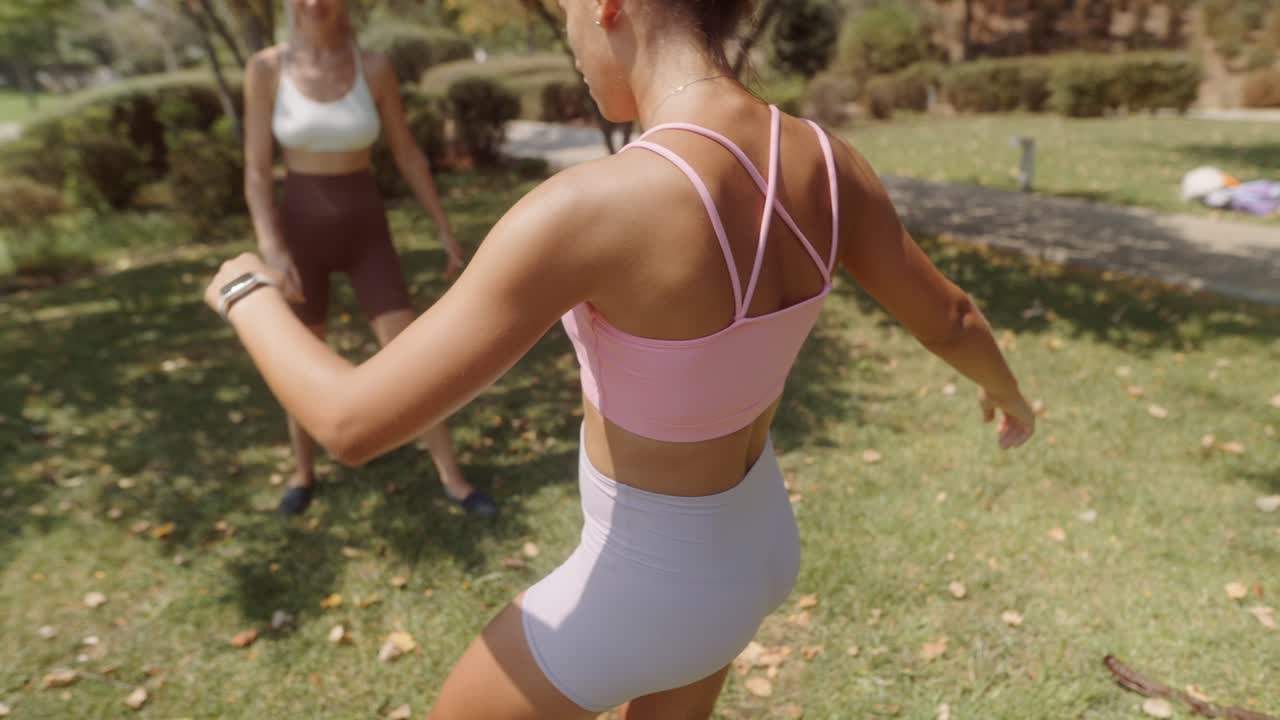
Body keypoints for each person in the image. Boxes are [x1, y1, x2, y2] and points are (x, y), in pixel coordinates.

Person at [208, 0, 1035, 716]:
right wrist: (1008, 393)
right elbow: (952, 315)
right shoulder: (826, 159)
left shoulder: (592, 208)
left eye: (567, 12)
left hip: (651, 589)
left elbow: (350, 423)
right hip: (758, 546)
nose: (568, 33)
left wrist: (248, 293)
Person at [241, 0, 497, 516]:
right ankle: (303, 473)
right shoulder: (266, 68)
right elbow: (255, 171)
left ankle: (453, 478)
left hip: (366, 230)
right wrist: (273, 248)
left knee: (409, 355)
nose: (312, 3)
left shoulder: (374, 65)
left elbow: (406, 152)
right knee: (302, 353)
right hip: (299, 233)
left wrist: (444, 229)